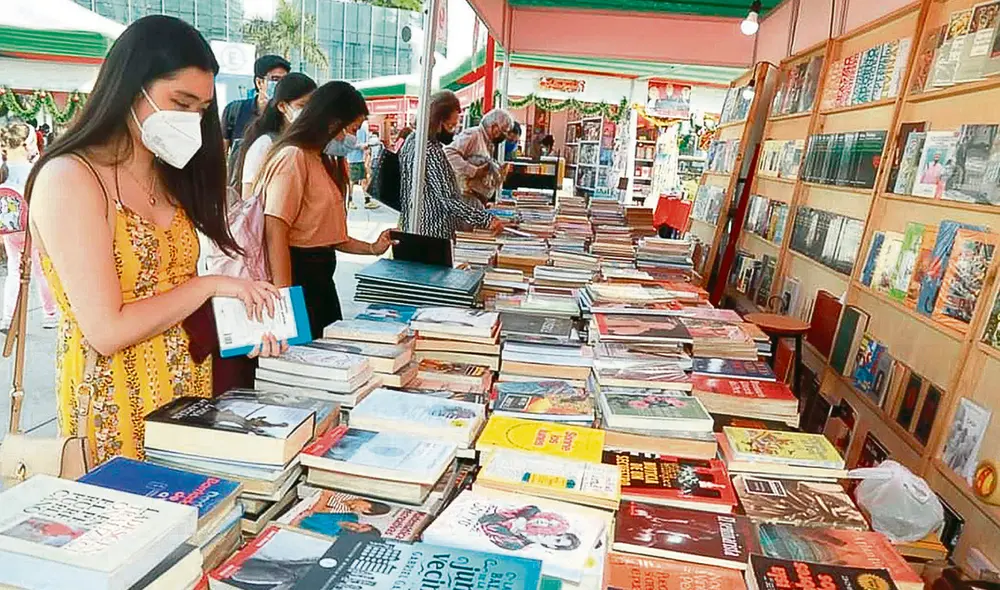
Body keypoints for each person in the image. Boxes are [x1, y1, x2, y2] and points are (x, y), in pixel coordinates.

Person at [26, 15, 284, 463]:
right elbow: (107, 330)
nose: (192, 120)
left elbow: (173, 290)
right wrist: (212, 285)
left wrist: (245, 322)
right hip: (114, 401)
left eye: (201, 109)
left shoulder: (169, 173)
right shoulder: (71, 178)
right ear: (130, 88)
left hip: (187, 390)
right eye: (180, 102)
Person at [258, 81, 393, 338]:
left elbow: (325, 235)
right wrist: (285, 300)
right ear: (332, 122)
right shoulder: (293, 157)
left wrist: (372, 248)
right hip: (298, 277)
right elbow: (275, 229)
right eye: (352, 129)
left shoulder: (320, 160)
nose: (352, 139)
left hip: (319, 280)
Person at [399, 90, 503, 240]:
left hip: (412, 225)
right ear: (437, 122)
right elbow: (449, 200)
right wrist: (486, 220)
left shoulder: (411, 140)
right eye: (450, 126)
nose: (453, 132)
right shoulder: (431, 151)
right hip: (433, 234)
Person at [0, 125, 58, 331]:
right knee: (41, 270)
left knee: (14, 270)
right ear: (27, 145)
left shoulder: (3, 169)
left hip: (10, 227)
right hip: (33, 226)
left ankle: (8, 317)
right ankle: (50, 313)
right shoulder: (35, 169)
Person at [232, 72, 316, 200]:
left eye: (311, 106)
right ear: (282, 106)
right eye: (302, 105)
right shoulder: (265, 143)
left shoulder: (303, 142)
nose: (307, 112)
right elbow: (248, 196)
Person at [221, 54, 291, 158]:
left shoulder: (288, 116)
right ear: (259, 82)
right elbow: (221, 153)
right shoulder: (235, 111)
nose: (281, 85)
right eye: (275, 79)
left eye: (285, 80)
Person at [444, 108, 512, 209]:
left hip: (477, 201)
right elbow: (448, 154)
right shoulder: (473, 134)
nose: (504, 136)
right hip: (465, 199)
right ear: (494, 126)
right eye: (503, 131)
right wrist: (473, 171)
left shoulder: (488, 142)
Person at [346, 121, 378, 210]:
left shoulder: (363, 126)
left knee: (363, 180)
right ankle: (350, 201)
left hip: (359, 159)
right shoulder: (355, 127)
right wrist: (362, 146)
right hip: (353, 159)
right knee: (353, 181)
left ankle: (367, 200)